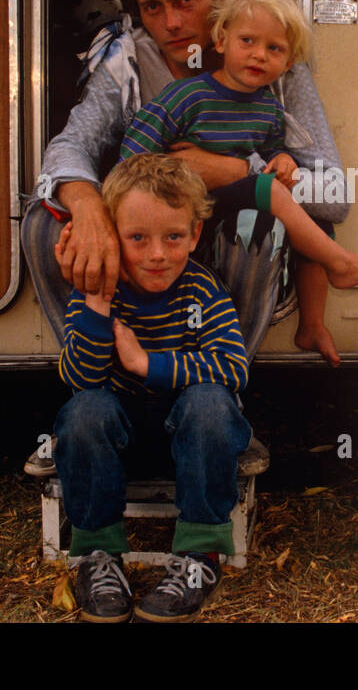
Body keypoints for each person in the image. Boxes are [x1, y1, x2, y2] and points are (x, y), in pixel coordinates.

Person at [24, 0, 350, 364]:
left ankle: (219, 389)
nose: (172, 22)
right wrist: (88, 206)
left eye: (185, 0)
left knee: (255, 225)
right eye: (153, 7)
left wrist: (239, 173)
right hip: (150, 237)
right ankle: (97, 380)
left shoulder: (271, 62)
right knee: (44, 222)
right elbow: (71, 144)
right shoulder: (130, 61)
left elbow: (334, 196)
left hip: (223, 236)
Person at [57, 154, 251, 623]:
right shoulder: (95, 291)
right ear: (112, 236)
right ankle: (97, 556)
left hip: (194, 446)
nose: (157, 254)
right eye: (137, 238)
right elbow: (79, 380)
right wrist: (99, 305)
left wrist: (147, 364)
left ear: (195, 235)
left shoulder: (201, 292)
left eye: (173, 237)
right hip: (118, 445)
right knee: (84, 411)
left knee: (211, 402)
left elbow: (232, 368)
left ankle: (199, 557)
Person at [114, 0, 358, 295]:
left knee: (315, 220)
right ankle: (342, 264)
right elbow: (132, 158)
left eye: (274, 48)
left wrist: (284, 159)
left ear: (288, 62)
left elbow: (271, 151)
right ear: (221, 41)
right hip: (182, 209)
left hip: (229, 208)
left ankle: (312, 325)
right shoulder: (186, 96)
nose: (259, 55)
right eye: (247, 40)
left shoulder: (269, 109)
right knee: (272, 191)